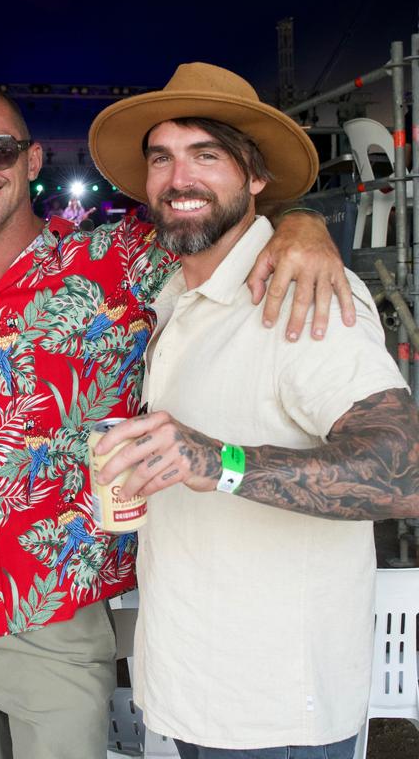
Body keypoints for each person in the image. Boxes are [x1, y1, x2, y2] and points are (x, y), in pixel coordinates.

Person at [0, 84, 356, 759]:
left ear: (32, 159)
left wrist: (305, 227)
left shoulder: (117, 262)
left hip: (56, 608)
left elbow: (223, 219)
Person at [88, 62, 419, 758]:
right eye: (162, 158)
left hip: (275, 712)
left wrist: (220, 460)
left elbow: (402, 474)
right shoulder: (179, 293)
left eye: (206, 155)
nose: (180, 179)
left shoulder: (303, 295)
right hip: (186, 688)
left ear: (255, 178)